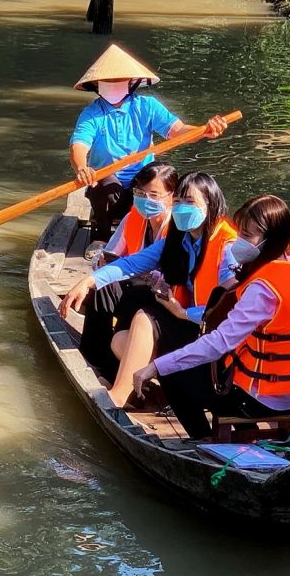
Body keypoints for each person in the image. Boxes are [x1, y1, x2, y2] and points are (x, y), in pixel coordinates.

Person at [129, 194, 290, 441]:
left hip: (262, 400)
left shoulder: (263, 289)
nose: (239, 242)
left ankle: (203, 439)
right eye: (241, 233)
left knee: (170, 372)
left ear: (271, 240)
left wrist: (155, 366)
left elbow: (218, 344)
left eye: (248, 237)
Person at [60, 171, 235, 406]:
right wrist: (88, 281)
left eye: (190, 202)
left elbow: (228, 307)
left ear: (211, 204)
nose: (182, 208)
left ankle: (118, 397)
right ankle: (144, 383)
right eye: (179, 202)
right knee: (120, 340)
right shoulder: (179, 239)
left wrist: (182, 313)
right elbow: (131, 263)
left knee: (145, 318)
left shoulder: (227, 247)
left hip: (212, 334)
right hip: (190, 325)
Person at [69, 43, 231, 241]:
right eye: (108, 80)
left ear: (132, 82)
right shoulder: (91, 114)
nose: (114, 83)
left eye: (119, 79)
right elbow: (79, 146)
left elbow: (177, 131)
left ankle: (160, 236)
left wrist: (204, 131)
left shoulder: (147, 106)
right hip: (111, 186)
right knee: (104, 184)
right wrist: (82, 168)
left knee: (164, 176)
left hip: (143, 181)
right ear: (97, 84)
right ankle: (101, 236)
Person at [78, 161, 177, 376]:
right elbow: (113, 251)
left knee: (118, 288)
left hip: (165, 296)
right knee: (103, 285)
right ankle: (93, 357)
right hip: (136, 285)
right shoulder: (134, 217)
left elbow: (166, 271)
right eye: (140, 193)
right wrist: (102, 261)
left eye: (154, 194)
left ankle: (114, 372)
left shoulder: (177, 228)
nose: (145, 200)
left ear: (172, 196)